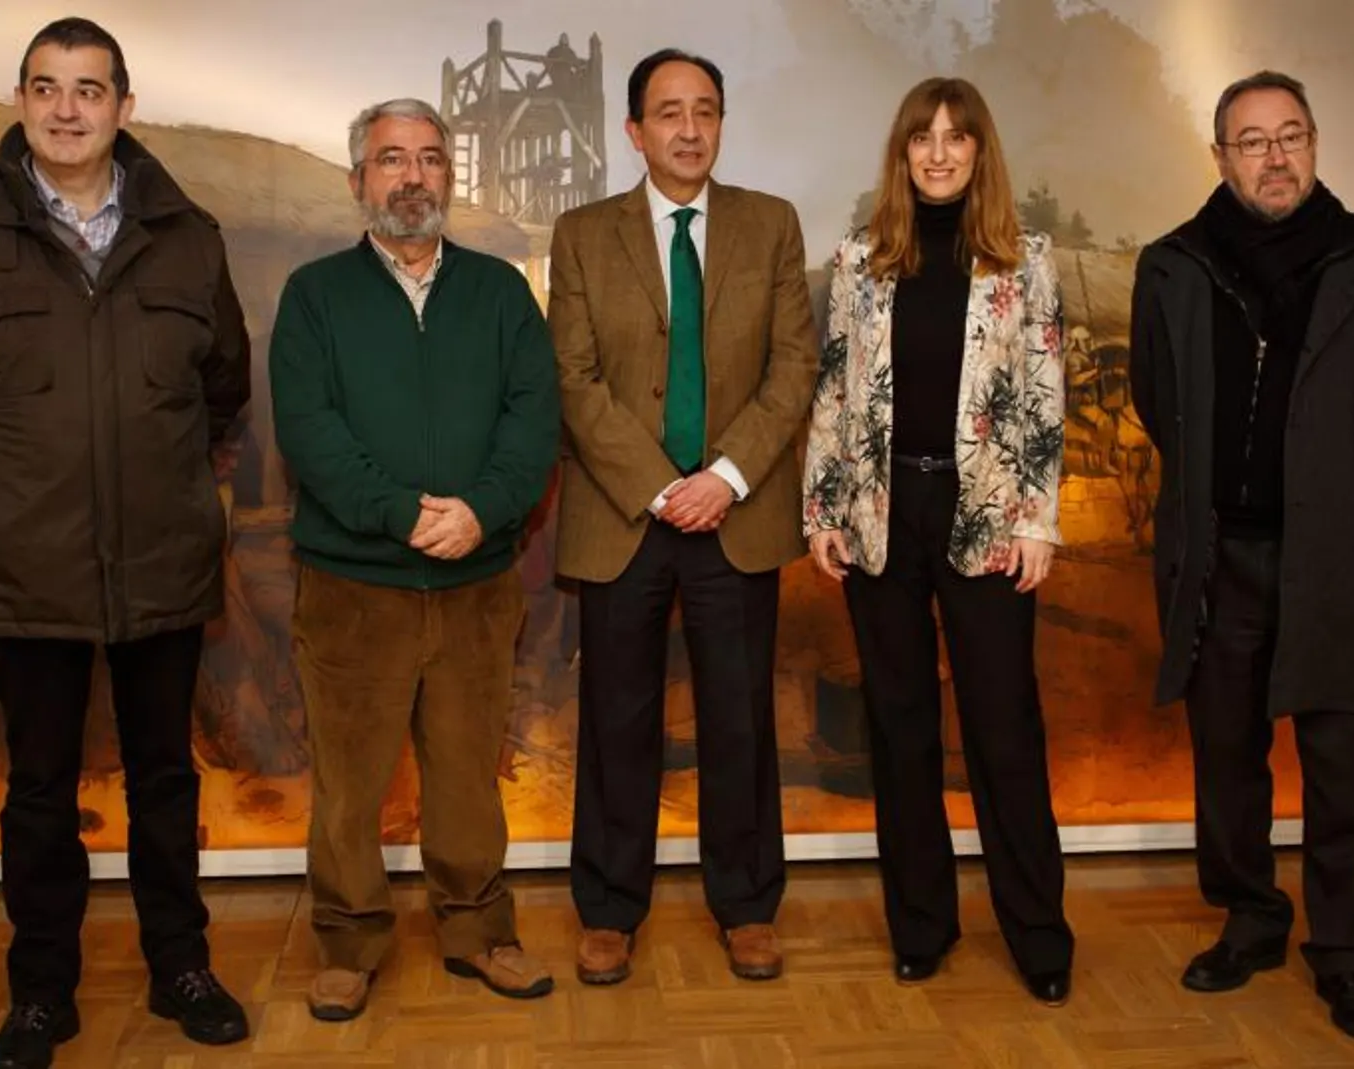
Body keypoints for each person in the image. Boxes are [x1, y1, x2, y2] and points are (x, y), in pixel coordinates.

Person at [0, 17, 253, 1068]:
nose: (67, 108)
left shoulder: (190, 236)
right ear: (23, 103)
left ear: (125, 107)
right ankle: (41, 992)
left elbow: (221, 391)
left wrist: (163, 483)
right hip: (21, 568)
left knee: (165, 778)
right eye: (47, 88)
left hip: (161, 564)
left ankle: (182, 967)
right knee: (39, 790)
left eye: (90, 89)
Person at [1128, 70, 1354, 1041]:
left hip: (1332, 558)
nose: (1273, 155)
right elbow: (1154, 398)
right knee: (1227, 757)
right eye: (1251, 140)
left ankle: (1345, 955)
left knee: (1344, 760)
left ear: (1313, 144)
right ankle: (1251, 918)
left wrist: (1333, 485)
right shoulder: (1173, 264)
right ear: (1219, 157)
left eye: (1290, 135)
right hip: (1219, 554)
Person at [270, 97, 562, 1022]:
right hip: (355, 588)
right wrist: (403, 515)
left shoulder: (502, 293)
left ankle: (480, 933)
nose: (413, 177)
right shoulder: (316, 295)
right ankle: (350, 943)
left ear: (449, 177)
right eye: (392, 160)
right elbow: (310, 434)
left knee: (469, 775)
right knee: (351, 785)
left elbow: (534, 419)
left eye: (431, 159)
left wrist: (482, 510)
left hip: (477, 586)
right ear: (360, 179)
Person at [547, 48, 819, 984]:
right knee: (616, 718)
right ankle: (610, 907)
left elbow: (794, 367)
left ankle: (746, 903)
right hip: (626, 515)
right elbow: (574, 380)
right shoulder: (581, 234)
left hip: (736, 515)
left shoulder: (770, 224)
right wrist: (663, 486)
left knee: (739, 719)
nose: (690, 128)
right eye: (669, 112)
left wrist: (727, 476)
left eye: (705, 110)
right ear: (635, 131)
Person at [801, 76, 1073, 1006]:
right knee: (900, 729)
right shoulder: (860, 262)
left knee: (1004, 732)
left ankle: (1038, 934)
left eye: (958, 137)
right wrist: (824, 510)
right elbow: (835, 395)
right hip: (884, 519)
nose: (941, 151)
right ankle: (922, 924)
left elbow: (1043, 399)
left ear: (980, 151)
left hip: (989, 521)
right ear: (903, 152)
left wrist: (1038, 521)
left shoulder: (1027, 262)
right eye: (924, 136)